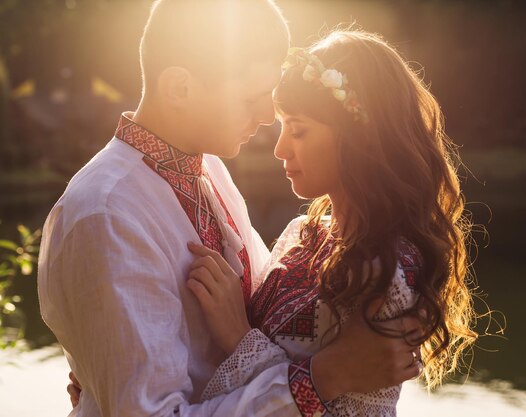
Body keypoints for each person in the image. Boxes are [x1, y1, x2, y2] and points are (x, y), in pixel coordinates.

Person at [38, 1, 422, 416]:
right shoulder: (107, 213)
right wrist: (323, 378)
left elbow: (260, 320)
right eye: (252, 97)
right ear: (180, 89)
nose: (265, 116)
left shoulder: (211, 172)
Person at [182, 31, 479, 416]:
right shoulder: (300, 234)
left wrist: (240, 339)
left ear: (360, 138)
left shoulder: (387, 274)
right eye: (283, 127)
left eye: (299, 129)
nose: (280, 148)